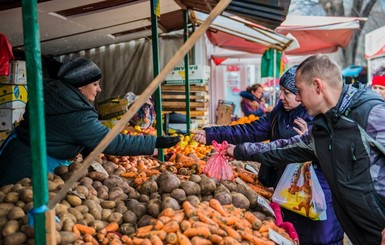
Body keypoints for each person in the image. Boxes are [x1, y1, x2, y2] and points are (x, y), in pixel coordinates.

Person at [226, 54, 385, 245]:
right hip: (360, 230)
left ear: (317, 86)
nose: (298, 98)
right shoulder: (323, 127)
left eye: (299, 91)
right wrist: (238, 151)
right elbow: (284, 147)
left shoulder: (372, 114)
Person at [193, 65, 344, 244]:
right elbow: (251, 130)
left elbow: (323, 153)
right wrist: (213, 134)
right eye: (281, 91)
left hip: (317, 199)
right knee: (291, 235)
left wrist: (306, 137)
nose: (280, 97)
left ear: (301, 93)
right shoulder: (279, 112)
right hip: (286, 194)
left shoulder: (321, 115)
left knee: (320, 239)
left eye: (286, 92)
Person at [0, 57, 180, 187]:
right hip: (29, 166)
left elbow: (56, 128)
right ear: (80, 85)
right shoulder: (77, 113)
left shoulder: (52, 92)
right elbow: (111, 142)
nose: (99, 89)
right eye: (95, 84)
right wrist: (154, 142)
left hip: (15, 149)